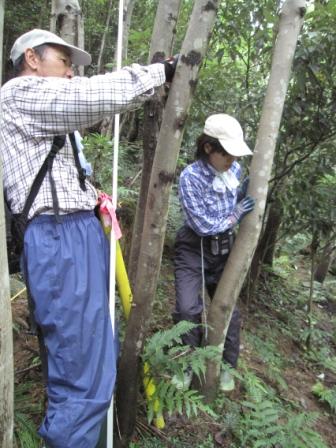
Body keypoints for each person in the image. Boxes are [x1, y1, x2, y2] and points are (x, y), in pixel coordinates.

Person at [1, 29, 176, 448]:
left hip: (74, 234)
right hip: (60, 239)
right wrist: (158, 74)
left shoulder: (39, 110)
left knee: (91, 361)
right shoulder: (19, 94)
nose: (70, 73)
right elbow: (88, 97)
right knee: (83, 378)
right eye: (64, 62)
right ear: (31, 59)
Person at [172, 114, 255, 391]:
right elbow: (203, 224)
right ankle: (186, 364)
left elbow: (235, 195)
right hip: (194, 248)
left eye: (235, 154)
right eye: (227, 154)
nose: (232, 160)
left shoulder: (234, 171)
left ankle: (227, 368)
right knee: (187, 308)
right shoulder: (190, 177)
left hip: (223, 250)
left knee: (227, 308)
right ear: (209, 148)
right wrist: (235, 215)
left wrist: (240, 198)